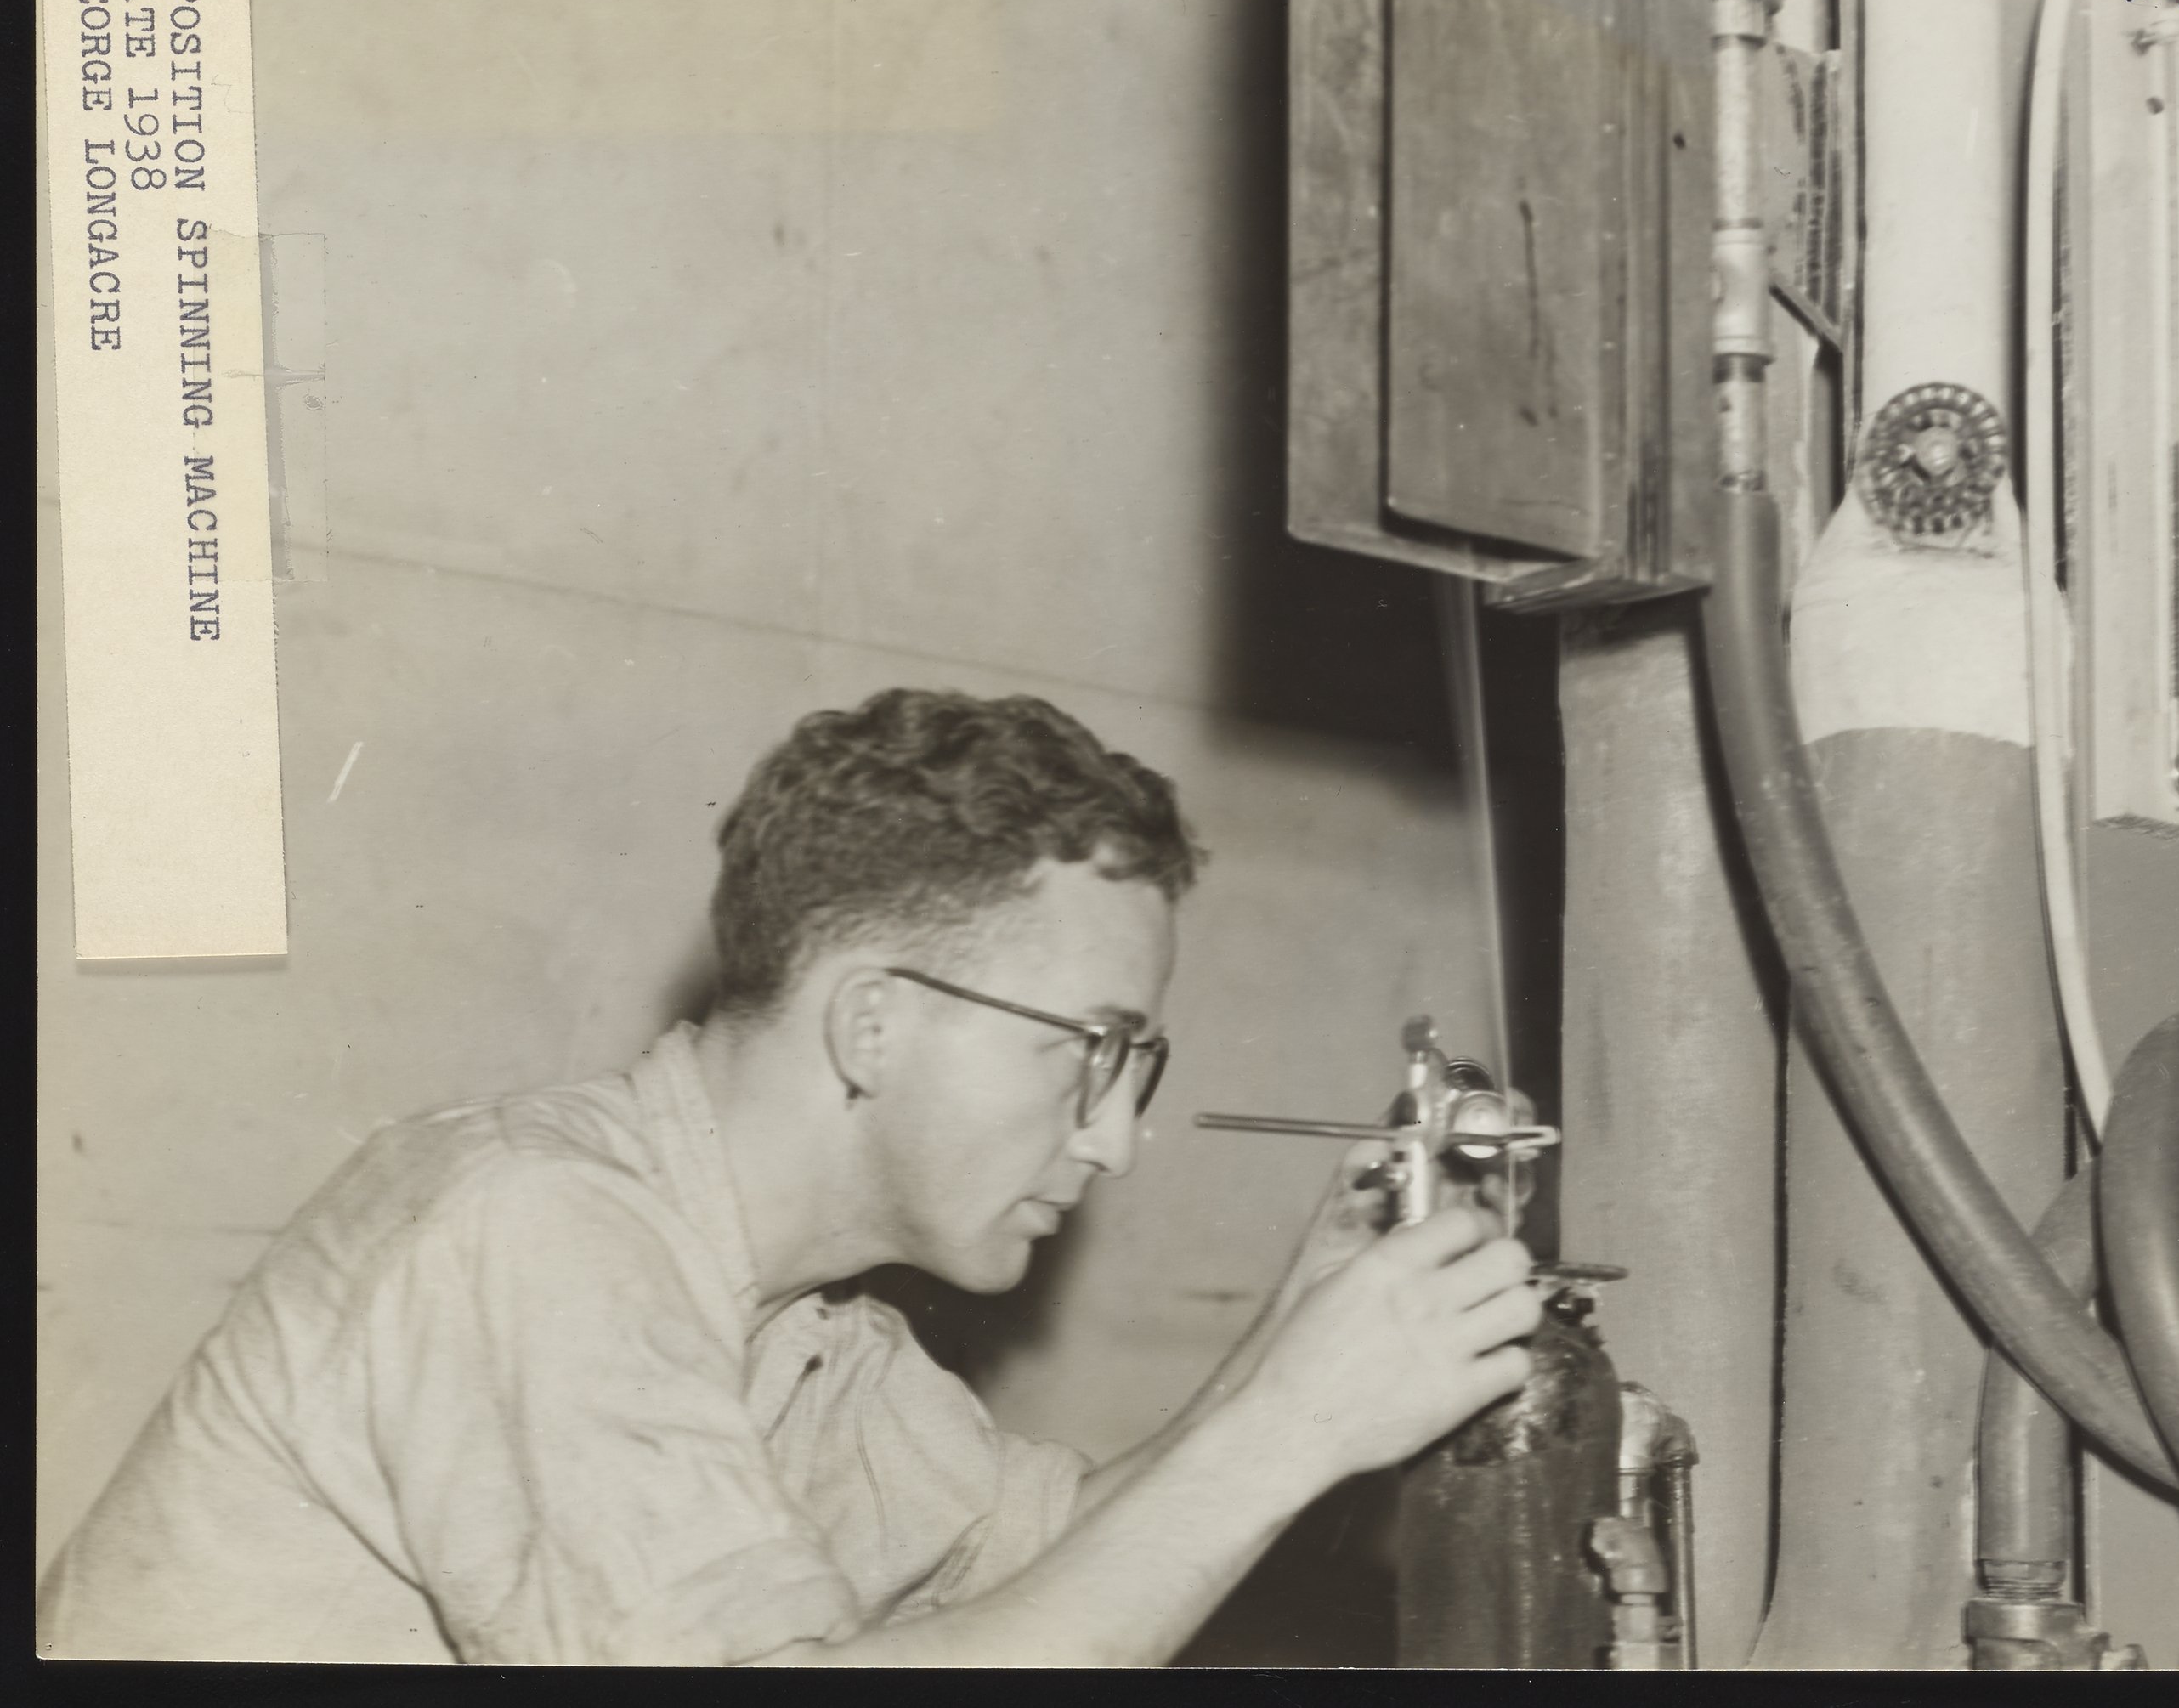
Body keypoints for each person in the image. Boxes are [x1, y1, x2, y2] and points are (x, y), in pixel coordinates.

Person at [37, 687, 1542, 1665]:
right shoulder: (528, 1225)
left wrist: (1305, 1325)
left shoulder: (810, 1336)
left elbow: (1056, 1569)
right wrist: (1289, 1426)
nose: (1111, 1139)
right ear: (874, 1022)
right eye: (1089, 1053)